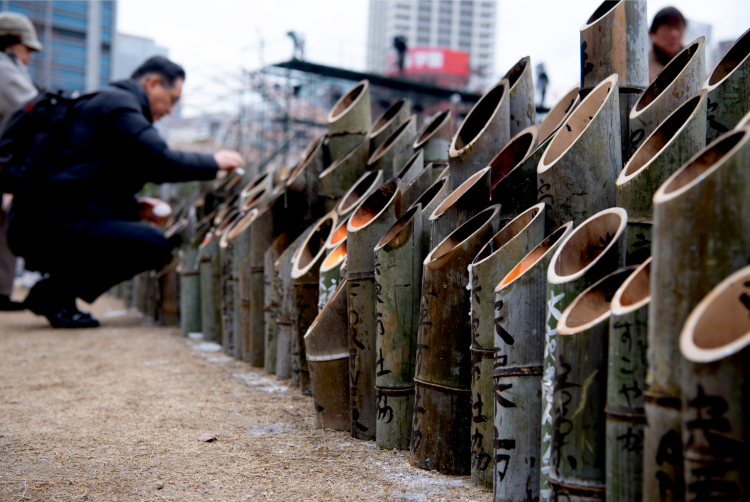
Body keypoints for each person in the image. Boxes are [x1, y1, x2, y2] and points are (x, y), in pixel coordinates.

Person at [7, 56, 242, 328]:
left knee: (135, 230)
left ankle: (59, 296)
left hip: (34, 222)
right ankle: (53, 294)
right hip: (45, 227)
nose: (169, 110)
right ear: (153, 83)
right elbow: (160, 161)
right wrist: (216, 162)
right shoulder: (119, 105)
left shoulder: (104, 102)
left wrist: (134, 207)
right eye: (172, 99)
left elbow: (90, 182)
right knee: (152, 243)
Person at [0, 12, 41, 311]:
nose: (29, 57)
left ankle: (1, 293)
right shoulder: (3, 68)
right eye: (27, 49)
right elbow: (35, 109)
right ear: (12, 42)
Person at [649, 7, 687, 81]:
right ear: (652, 34)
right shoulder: (643, 68)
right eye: (668, 29)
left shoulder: (694, 62)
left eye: (679, 28)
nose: (674, 34)